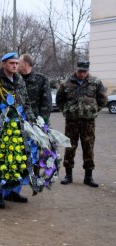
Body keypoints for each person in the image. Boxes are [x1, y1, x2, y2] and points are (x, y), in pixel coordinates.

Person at [0, 52, 35, 209]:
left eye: (16, 63)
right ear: (3, 64)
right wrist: (2, 112)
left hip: (19, 126)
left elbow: (25, 102)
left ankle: (13, 191)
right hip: (1, 127)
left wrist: (32, 119)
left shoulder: (19, 80)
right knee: (0, 159)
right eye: (11, 63)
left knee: (18, 159)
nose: (15, 66)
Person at [56, 60, 107, 188]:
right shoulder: (66, 83)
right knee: (69, 147)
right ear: (76, 69)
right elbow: (59, 99)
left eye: (84, 71)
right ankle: (68, 175)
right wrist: (66, 111)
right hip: (71, 122)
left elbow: (103, 99)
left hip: (88, 122)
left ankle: (88, 177)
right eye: (80, 71)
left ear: (87, 71)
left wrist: (93, 110)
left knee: (88, 147)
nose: (82, 74)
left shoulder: (95, 82)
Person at [18, 54, 52, 123]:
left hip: (36, 121)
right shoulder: (16, 79)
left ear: (25, 64)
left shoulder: (42, 80)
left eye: (19, 63)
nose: (16, 65)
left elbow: (46, 104)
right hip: (19, 121)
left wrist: (42, 122)